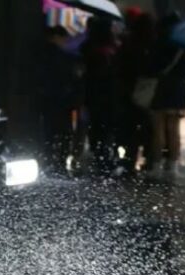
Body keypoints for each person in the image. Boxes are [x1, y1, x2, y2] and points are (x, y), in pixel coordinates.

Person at [149, 13, 185, 177]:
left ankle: (156, 165)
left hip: (162, 86)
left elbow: (152, 66)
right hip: (179, 88)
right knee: (174, 129)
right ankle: (173, 166)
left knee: (158, 128)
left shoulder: (159, 42)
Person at [115, 11, 156, 176]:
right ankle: (148, 158)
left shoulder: (128, 43)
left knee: (129, 128)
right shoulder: (153, 45)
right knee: (147, 128)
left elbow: (120, 66)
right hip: (146, 92)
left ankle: (128, 160)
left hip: (127, 91)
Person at [37, 26, 81, 176]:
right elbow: (71, 78)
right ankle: (60, 164)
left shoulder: (41, 55)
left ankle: (48, 161)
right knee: (63, 134)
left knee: (48, 133)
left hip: (48, 100)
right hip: (62, 101)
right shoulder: (64, 58)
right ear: (56, 37)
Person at [81, 17, 119, 174]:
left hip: (93, 94)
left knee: (96, 126)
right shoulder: (113, 49)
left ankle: (99, 156)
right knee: (107, 127)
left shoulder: (88, 47)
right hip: (111, 94)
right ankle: (106, 157)